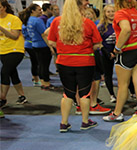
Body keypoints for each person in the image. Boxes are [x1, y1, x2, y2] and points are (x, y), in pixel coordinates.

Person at [47, 0, 103, 132]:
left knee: (67, 93)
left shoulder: (56, 22)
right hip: (85, 61)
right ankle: (84, 121)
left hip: (64, 61)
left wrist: (64, 49)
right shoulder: (88, 23)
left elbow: (50, 41)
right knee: (85, 93)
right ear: (80, 7)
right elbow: (97, 44)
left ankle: (64, 123)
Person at [103, 0, 137, 122]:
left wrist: (118, 47)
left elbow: (126, 30)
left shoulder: (121, 13)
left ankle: (117, 113)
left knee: (123, 85)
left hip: (127, 52)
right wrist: (136, 42)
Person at [0, 0, 27, 108]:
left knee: (5, 72)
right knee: (12, 73)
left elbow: (15, 36)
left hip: (16, 50)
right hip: (3, 50)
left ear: (4, 7)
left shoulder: (14, 19)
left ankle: (2, 98)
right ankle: (22, 96)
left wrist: (1, 28)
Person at [24, 4, 54, 89]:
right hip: (42, 45)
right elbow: (44, 34)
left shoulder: (29, 20)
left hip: (34, 44)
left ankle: (43, 82)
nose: (41, 11)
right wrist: (50, 47)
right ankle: (46, 83)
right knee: (44, 65)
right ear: (33, 11)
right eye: (38, 10)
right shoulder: (38, 21)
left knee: (40, 64)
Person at [97, 4, 116, 103]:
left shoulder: (120, 24)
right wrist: (107, 53)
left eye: (113, 11)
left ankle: (132, 92)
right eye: (108, 11)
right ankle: (112, 94)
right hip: (105, 53)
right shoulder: (101, 27)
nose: (111, 13)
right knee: (108, 74)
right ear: (105, 13)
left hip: (118, 51)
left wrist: (116, 51)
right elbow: (98, 42)